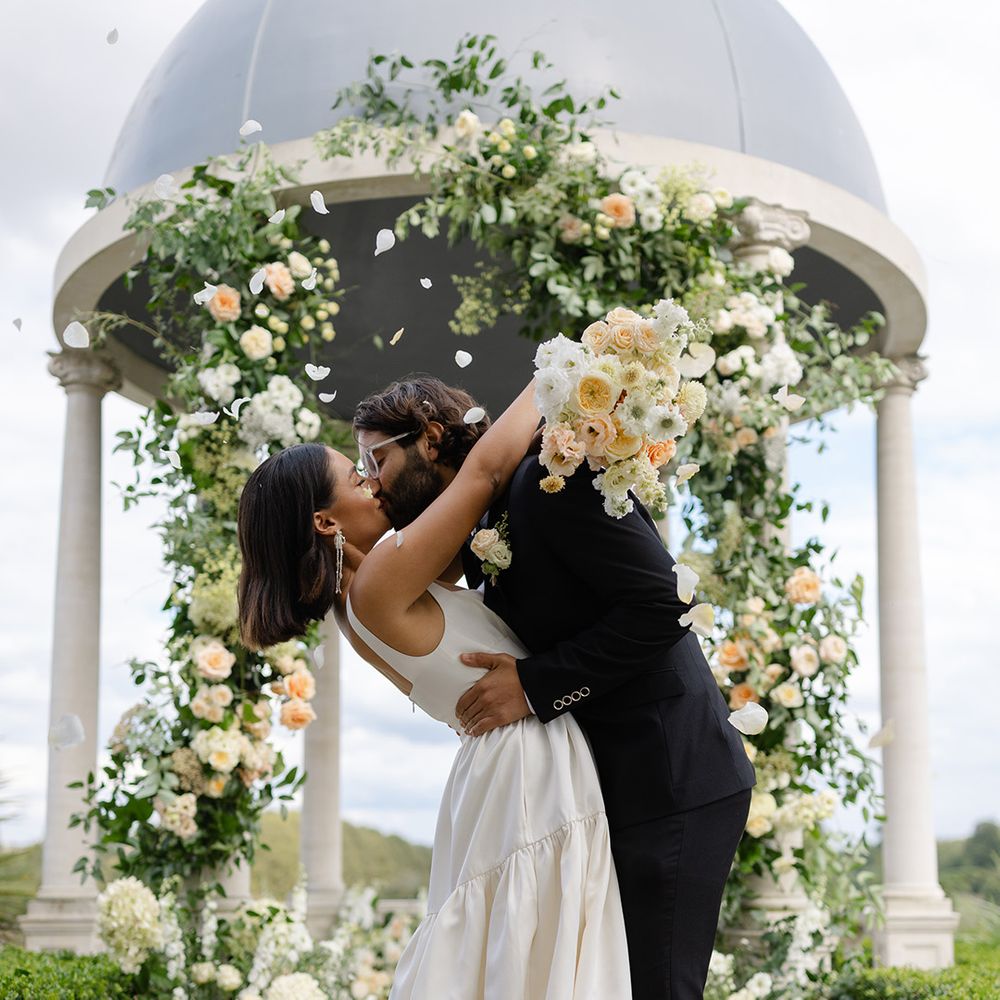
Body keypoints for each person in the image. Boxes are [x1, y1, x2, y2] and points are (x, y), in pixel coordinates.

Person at [354, 375, 756, 1000]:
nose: (372, 480)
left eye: (376, 458)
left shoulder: (550, 479)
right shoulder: (484, 520)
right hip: (602, 788)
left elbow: (665, 604)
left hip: (670, 775)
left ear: (431, 440)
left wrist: (536, 687)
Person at [237, 377, 632, 999]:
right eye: (355, 478)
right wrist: (559, 370)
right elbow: (483, 475)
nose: (373, 484)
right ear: (323, 520)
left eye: (371, 465)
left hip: (512, 762)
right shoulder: (377, 589)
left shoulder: (372, 589)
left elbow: (460, 503)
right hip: (526, 770)